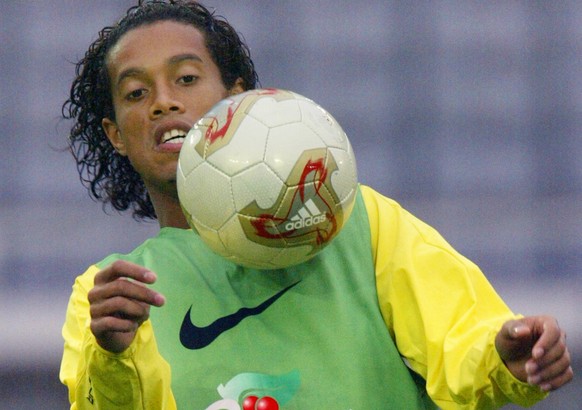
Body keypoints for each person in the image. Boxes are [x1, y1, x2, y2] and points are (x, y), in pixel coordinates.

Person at [59, 1, 573, 409]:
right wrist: (112, 355)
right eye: (134, 92)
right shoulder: (109, 293)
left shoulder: (357, 222)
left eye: (187, 79)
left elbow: (464, 341)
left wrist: (506, 355)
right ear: (116, 136)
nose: (163, 102)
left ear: (236, 98)